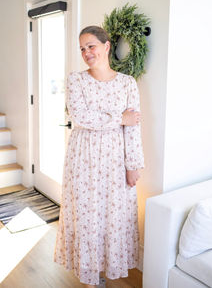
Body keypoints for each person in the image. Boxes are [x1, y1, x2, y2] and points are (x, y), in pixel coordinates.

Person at [54, 26, 145, 287]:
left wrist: (134, 164)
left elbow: (133, 125)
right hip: (83, 157)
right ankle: (90, 276)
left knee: (111, 215)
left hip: (116, 159)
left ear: (106, 47)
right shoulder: (76, 80)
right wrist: (119, 118)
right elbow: (81, 117)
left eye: (91, 45)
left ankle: (104, 270)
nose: (86, 52)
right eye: (82, 48)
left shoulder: (127, 83)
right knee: (86, 216)